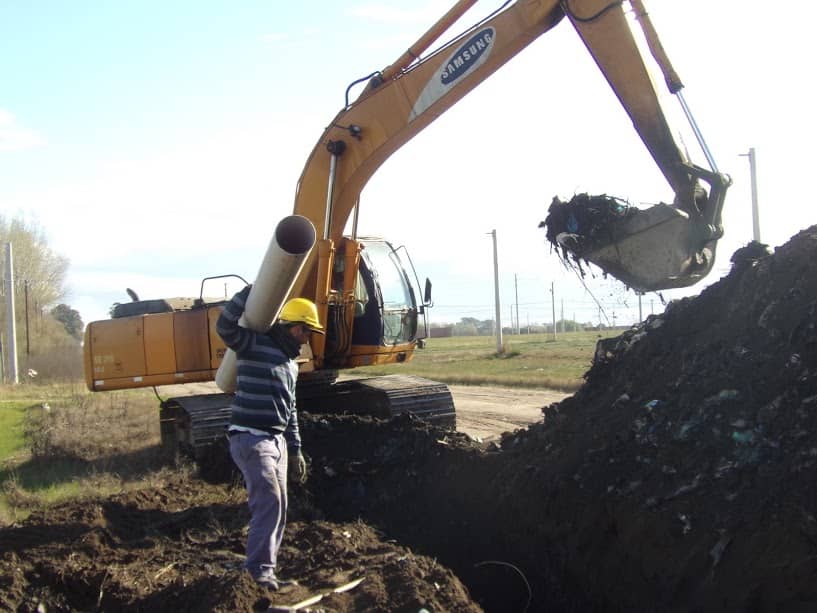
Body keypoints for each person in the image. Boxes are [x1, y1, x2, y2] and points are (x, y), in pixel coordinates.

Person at [216, 285, 324, 590]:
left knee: (280, 505)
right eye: (307, 332)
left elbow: (290, 408)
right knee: (270, 502)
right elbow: (224, 326)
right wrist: (251, 292)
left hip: (276, 441)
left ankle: (266, 569)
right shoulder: (253, 345)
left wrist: (296, 449)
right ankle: (258, 571)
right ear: (294, 328)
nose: (308, 339)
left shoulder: (290, 364)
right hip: (251, 438)